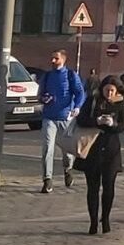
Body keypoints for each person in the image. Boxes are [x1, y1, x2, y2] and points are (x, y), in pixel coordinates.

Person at [76, 75, 124, 234]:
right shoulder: (92, 100)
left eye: (112, 91)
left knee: (109, 187)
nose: (109, 94)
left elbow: (123, 125)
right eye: (107, 90)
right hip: (92, 148)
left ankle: (105, 219)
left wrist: (113, 124)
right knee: (92, 188)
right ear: (102, 89)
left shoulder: (120, 104)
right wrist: (97, 121)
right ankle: (93, 222)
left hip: (111, 150)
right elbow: (81, 120)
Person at [37, 49, 86, 193]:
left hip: (66, 117)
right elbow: (40, 95)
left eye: (56, 59)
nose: (53, 61)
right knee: (47, 148)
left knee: (67, 150)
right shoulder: (47, 76)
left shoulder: (71, 75)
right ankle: (47, 179)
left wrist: (77, 106)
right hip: (49, 117)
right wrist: (43, 98)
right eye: (52, 58)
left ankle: (68, 169)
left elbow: (80, 92)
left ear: (63, 60)